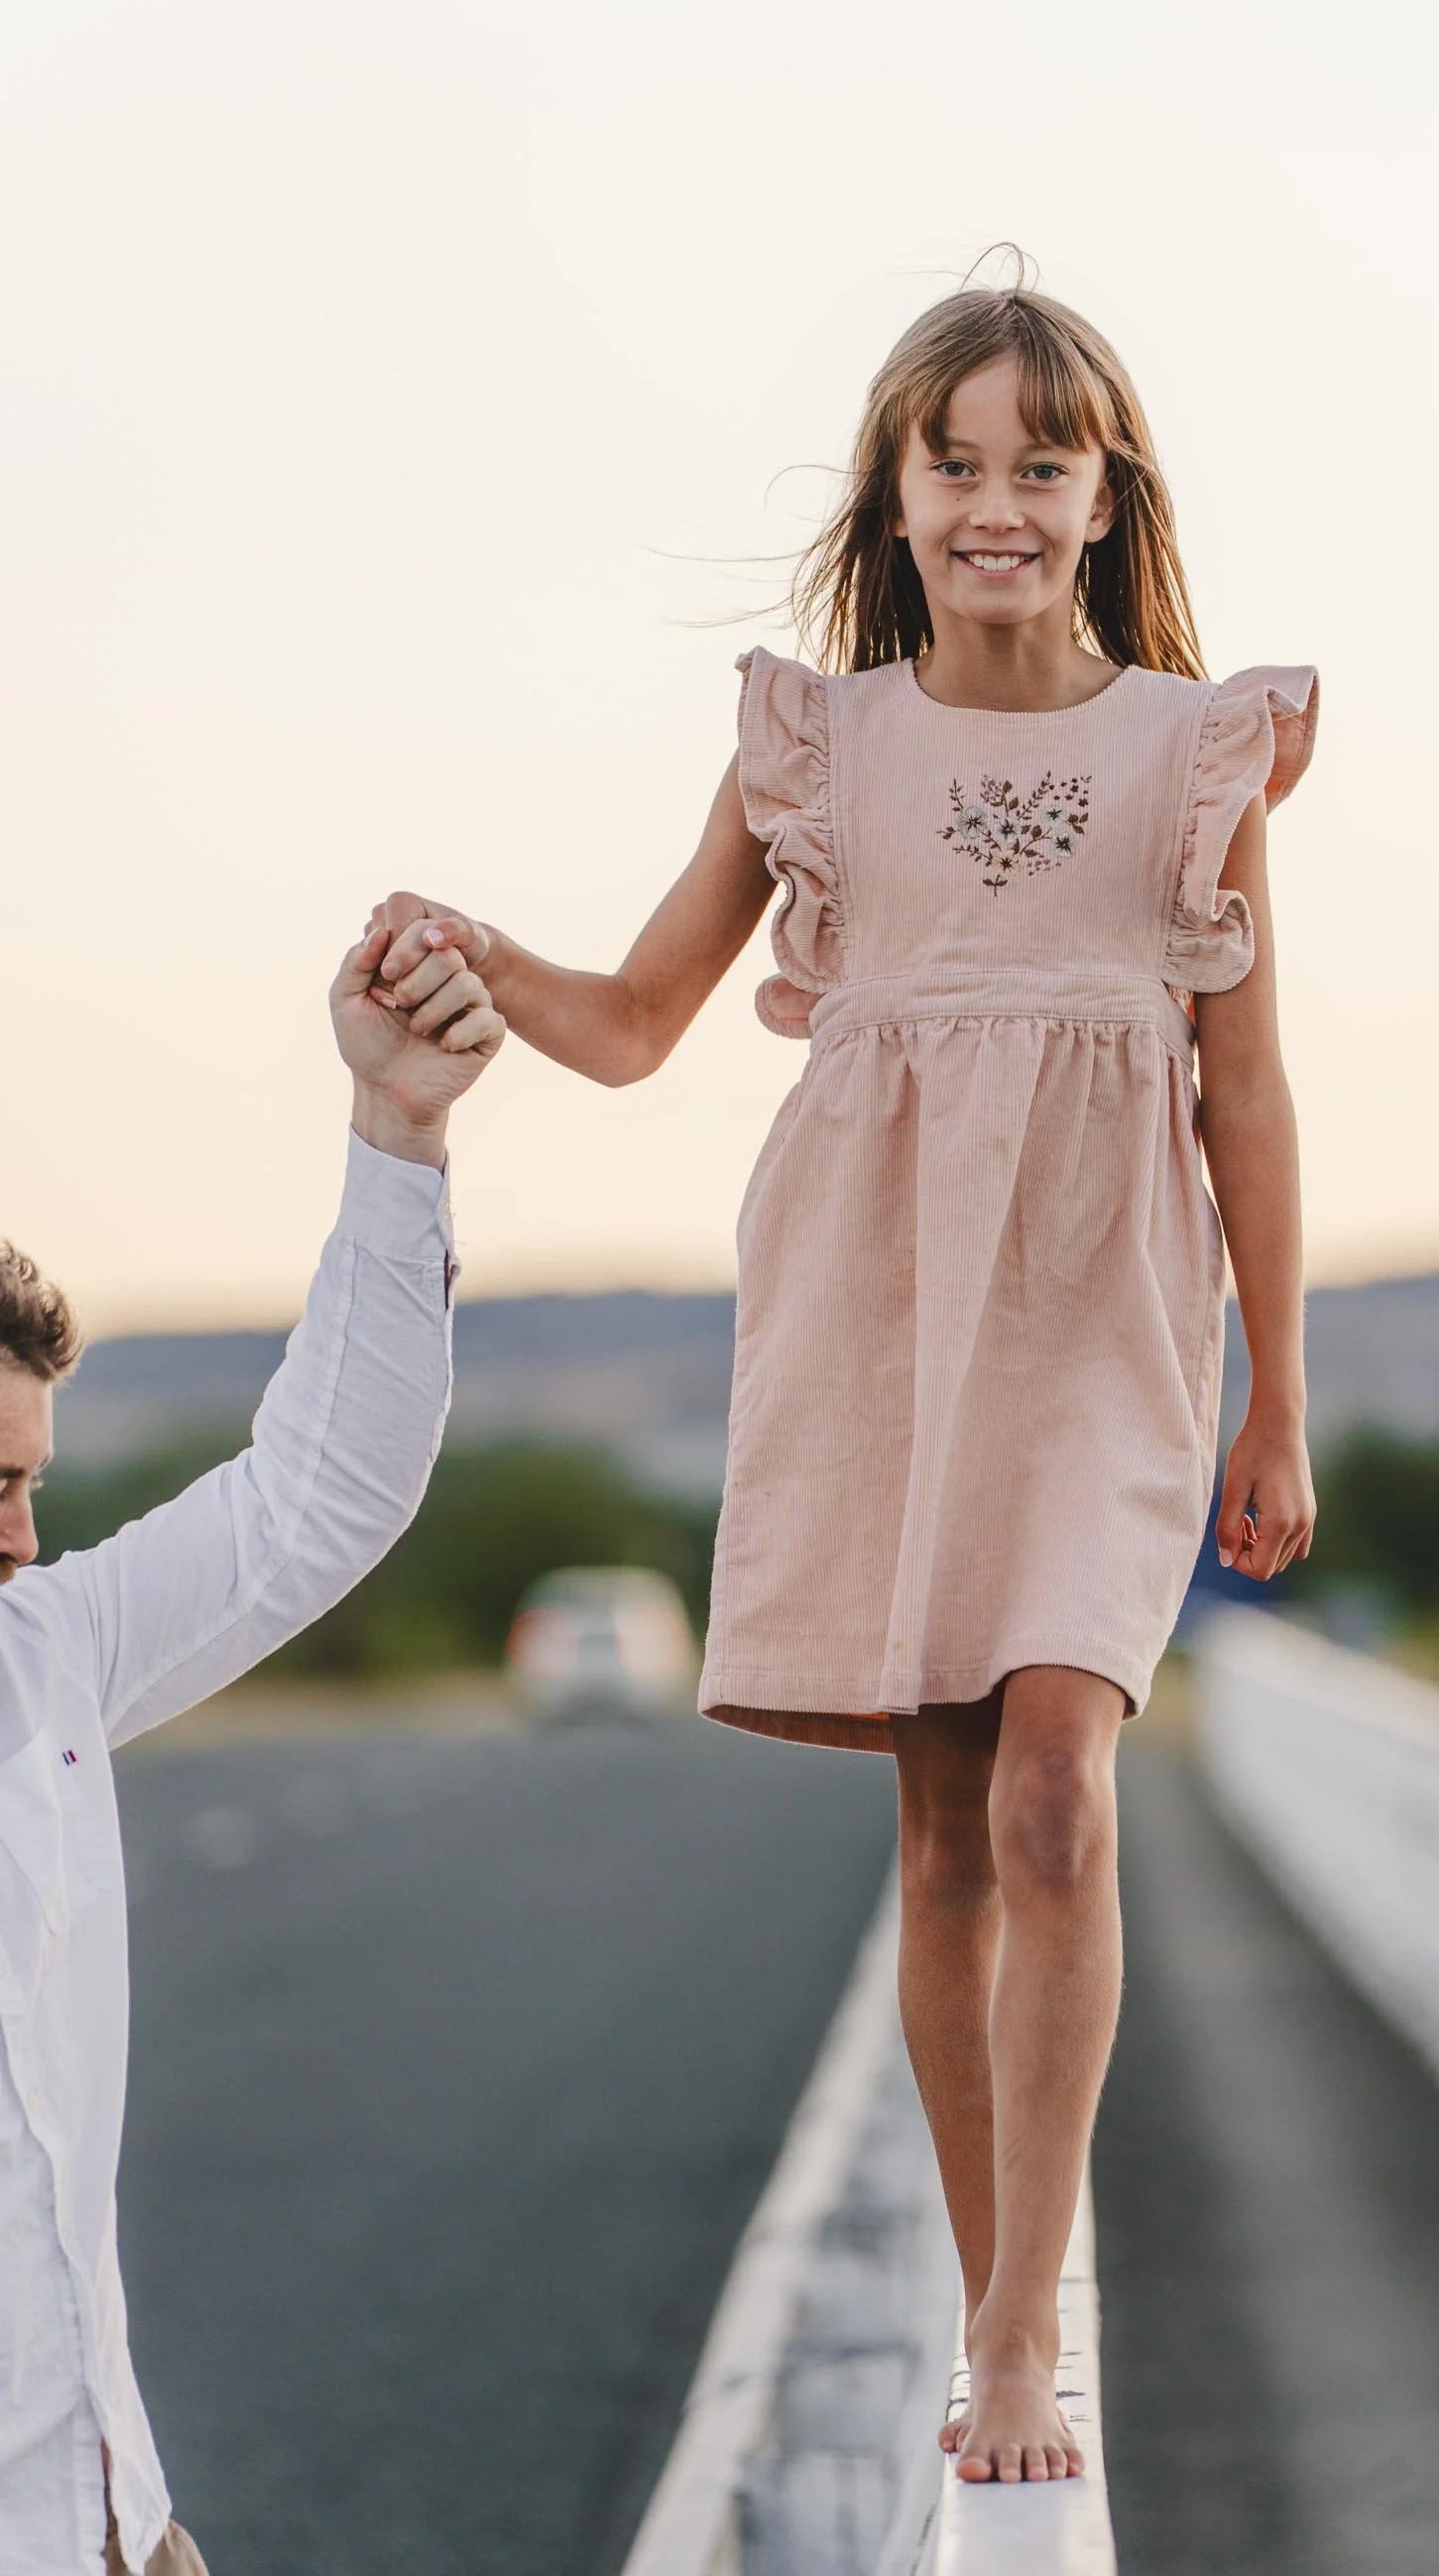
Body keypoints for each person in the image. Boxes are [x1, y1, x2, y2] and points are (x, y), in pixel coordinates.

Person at [367, 280, 1317, 2486]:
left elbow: (1250, 1101)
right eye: (953, 461)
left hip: (1106, 1316)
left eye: (1039, 464)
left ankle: (1008, 2339)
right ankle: (1002, 2310)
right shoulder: (818, 746)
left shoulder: (1195, 753)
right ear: (894, 493)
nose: (996, 502)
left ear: (1106, 496)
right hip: (873, 1301)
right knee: (941, 1829)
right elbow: (624, 1023)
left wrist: (1279, 1396)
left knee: (1056, 1790)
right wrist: (469, 949)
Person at [0, 926, 503, 2576]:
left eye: (26, 1488)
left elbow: (315, 1503)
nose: (18, 1539)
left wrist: (401, 1136)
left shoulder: (45, 1663)